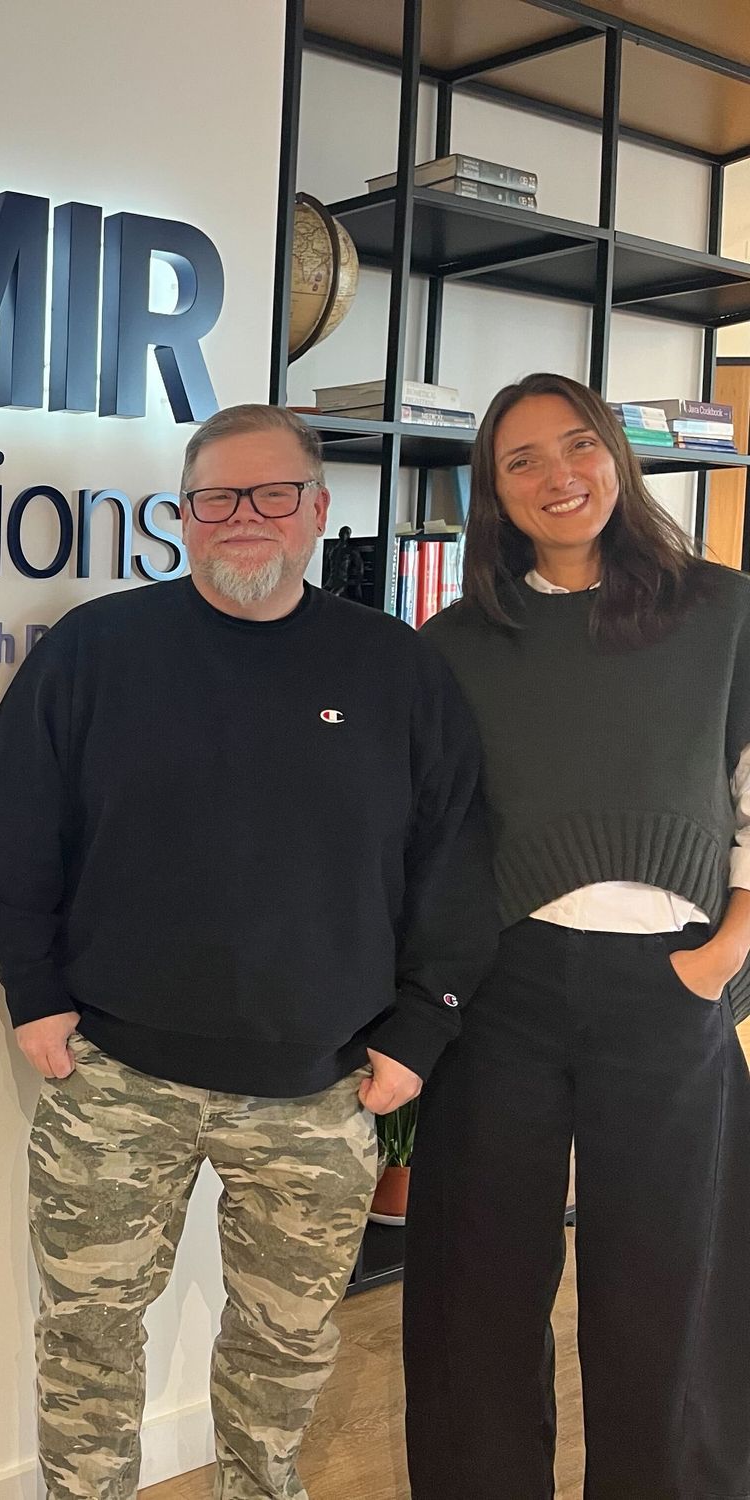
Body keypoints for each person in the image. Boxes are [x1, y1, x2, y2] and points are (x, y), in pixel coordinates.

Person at [0, 403, 494, 1499]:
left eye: (268, 495)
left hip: (318, 1093)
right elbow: (12, 834)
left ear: (314, 511)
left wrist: (418, 1034)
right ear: (182, 515)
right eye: (214, 498)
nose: (240, 519)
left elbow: (452, 859)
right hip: (115, 1082)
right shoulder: (95, 650)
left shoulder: (393, 669)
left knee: (282, 1355)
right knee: (86, 1349)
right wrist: (33, 997)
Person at [404, 372, 750, 1499]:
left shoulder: (721, 611)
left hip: (670, 983)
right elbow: (434, 829)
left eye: (575, 447)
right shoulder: (454, 642)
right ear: (490, 494)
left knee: (667, 1286)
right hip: (505, 988)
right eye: (520, 461)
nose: (557, 477)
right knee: (477, 1281)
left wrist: (721, 957)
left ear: (614, 455)